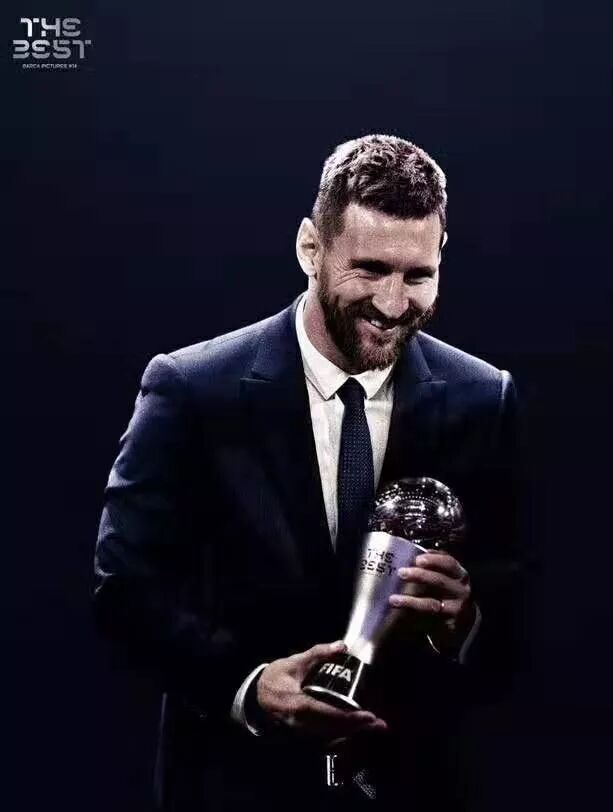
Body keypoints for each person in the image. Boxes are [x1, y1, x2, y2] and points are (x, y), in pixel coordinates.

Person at [94, 134, 526, 812]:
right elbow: (125, 589)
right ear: (309, 249)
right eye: (370, 269)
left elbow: (523, 603)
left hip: (417, 788)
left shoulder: (486, 398)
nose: (393, 303)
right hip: (237, 788)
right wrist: (247, 686)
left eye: (418, 276)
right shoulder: (191, 389)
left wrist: (465, 620)